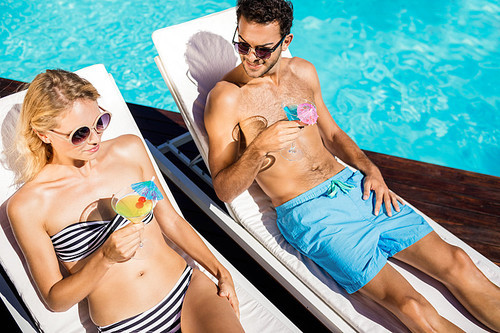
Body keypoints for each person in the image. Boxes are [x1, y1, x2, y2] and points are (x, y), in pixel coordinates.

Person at [204, 0, 500, 331]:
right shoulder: (227, 97)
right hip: (313, 214)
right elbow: (224, 188)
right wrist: (258, 149)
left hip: (354, 185)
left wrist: (369, 168)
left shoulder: (302, 71)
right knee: (412, 307)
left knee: (459, 262)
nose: (249, 56)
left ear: (286, 42)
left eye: (262, 49)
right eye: (242, 43)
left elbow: (331, 132)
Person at [7, 69, 244, 333]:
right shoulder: (28, 206)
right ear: (44, 134)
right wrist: (105, 258)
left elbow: (170, 220)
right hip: (128, 324)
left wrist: (221, 271)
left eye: (100, 121)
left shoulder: (129, 150)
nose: (95, 138)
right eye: (79, 134)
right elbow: (55, 298)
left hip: (189, 290)